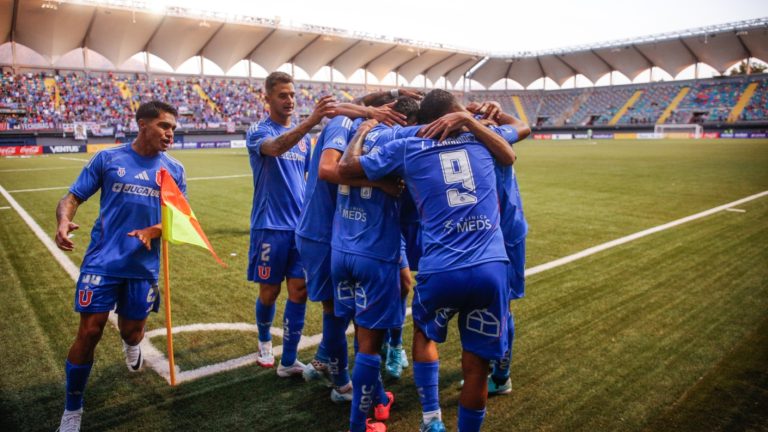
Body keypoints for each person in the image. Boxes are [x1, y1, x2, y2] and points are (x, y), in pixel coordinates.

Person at [338, 89, 516, 432]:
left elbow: (346, 167)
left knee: (424, 333)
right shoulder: (480, 139)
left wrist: (361, 130)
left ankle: (432, 419)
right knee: (477, 365)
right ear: (453, 114)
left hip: (441, 269)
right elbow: (510, 152)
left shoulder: (408, 145)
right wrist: (471, 122)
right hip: (491, 267)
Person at [54, 101, 186, 432]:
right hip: (103, 261)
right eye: (164, 126)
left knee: (133, 331)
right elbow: (71, 198)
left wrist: (153, 231)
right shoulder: (108, 159)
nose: (170, 133)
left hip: (142, 267)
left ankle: (131, 345)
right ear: (142, 124)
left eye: (173, 128)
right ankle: (72, 410)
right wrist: (64, 220)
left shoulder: (174, 170)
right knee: (90, 330)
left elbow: (179, 219)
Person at [329, 97, 420, 432]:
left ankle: (379, 400)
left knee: (360, 330)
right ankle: (360, 424)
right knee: (370, 344)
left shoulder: (352, 129)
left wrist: (366, 120)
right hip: (375, 252)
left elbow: (334, 170)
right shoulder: (402, 139)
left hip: (341, 250)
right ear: (406, 118)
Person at [246, 71, 334, 377]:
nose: (290, 100)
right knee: (269, 292)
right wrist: (310, 121)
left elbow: (309, 181)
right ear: (267, 97)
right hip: (270, 226)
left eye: (293, 95)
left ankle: (289, 361)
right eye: (283, 95)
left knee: (300, 291)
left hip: (300, 228)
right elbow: (275, 148)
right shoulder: (258, 131)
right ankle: (264, 341)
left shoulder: (304, 142)